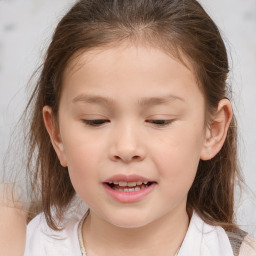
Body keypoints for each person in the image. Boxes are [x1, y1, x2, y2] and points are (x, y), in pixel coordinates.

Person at [22, 0, 255, 255]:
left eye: (159, 121)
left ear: (212, 130)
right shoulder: (20, 245)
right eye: (95, 120)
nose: (126, 148)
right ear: (56, 134)